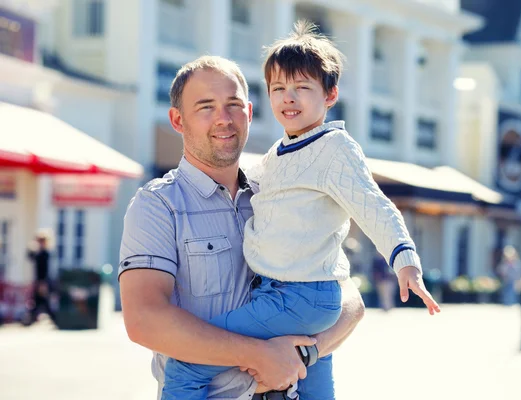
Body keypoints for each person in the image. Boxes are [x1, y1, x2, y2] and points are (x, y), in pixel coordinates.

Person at [161, 21, 440, 400]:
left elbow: (374, 204)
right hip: (283, 294)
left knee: (186, 361)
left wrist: (405, 260)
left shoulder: (334, 149)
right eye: (279, 89)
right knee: (312, 390)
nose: (288, 98)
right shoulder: (279, 152)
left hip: (298, 297)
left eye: (302, 88)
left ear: (330, 95)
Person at [119, 54, 365, 399]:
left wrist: (302, 354)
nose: (224, 119)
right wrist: (258, 355)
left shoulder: (281, 190)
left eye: (233, 105)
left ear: (249, 112)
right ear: (177, 119)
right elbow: (145, 319)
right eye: (206, 107)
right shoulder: (158, 205)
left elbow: (346, 295)